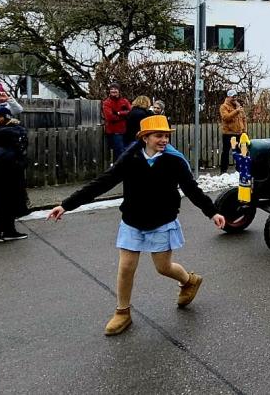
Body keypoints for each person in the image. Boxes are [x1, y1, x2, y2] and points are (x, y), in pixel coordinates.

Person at [48, 115, 227, 336]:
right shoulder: (130, 158)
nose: (164, 140)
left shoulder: (174, 161)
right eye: (159, 136)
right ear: (145, 137)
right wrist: (66, 205)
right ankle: (122, 312)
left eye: (166, 136)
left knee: (163, 267)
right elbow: (103, 183)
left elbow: (192, 189)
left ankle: (189, 281)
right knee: (125, 267)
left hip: (162, 221)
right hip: (132, 220)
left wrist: (213, 213)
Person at [0, 107, 30, 242]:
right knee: (10, 202)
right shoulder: (13, 144)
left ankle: (9, 231)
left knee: (2, 202)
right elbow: (22, 146)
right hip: (10, 179)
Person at [218, 90, 247, 174]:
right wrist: (236, 111)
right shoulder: (224, 107)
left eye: (235, 96)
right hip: (228, 134)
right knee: (226, 153)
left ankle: (239, 170)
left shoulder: (239, 107)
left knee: (240, 152)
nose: (235, 98)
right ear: (228, 97)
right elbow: (225, 117)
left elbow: (244, 118)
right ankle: (223, 171)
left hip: (239, 133)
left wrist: (244, 131)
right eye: (233, 97)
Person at [102, 83, 132, 162]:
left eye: (115, 89)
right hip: (114, 131)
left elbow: (130, 111)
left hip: (125, 130)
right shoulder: (107, 102)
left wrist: (119, 113)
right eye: (111, 89)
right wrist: (124, 116)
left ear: (119, 91)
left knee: (125, 151)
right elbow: (110, 117)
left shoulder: (124, 101)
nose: (113, 90)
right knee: (119, 152)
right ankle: (117, 171)